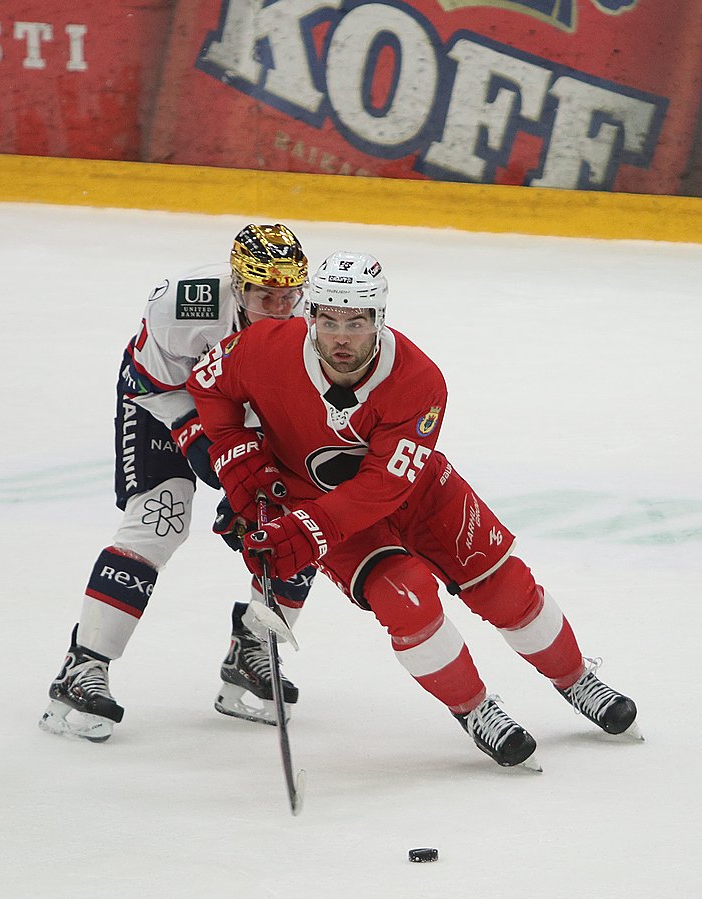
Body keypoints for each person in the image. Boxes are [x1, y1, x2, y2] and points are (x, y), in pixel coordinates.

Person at [186, 250, 639, 769]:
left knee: (505, 589)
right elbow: (207, 383)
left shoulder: (420, 380)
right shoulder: (263, 348)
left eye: (356, 322)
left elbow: (384, 484)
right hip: (322, 504)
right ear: (309, 316)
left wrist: (307, 531)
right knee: (407, 600)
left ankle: (577, 678)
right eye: (328, 320)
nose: (341, 337)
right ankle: (476, 710)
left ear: (380, 319)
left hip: (417, 493)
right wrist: (237, 456)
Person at [39, 224, 317, 743]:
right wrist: (205, 448)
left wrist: (251, 484)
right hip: (161, 399)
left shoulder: (316, 321)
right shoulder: (184, 304)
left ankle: (254, 647)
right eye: (264, 297)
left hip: (247, 411)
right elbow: (155, 384)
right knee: (159, 517)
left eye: (288, 297)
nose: (279, 310)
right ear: (238, 286)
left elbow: (295, 408)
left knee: (296, 520)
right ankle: (83, 665)